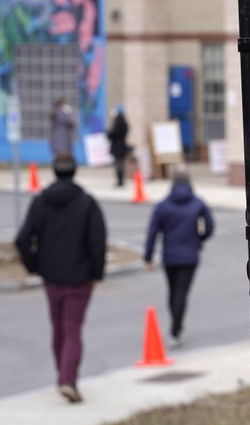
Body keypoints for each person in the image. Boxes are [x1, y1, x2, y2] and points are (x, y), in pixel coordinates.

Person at [15, 154, 106, 403]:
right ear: (75, 172)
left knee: (58, 328)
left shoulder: (41, 202)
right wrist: (97, 272)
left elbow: (23, 238)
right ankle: (68, 379)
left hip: (51, 275)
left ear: (54, 172)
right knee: (73, 328)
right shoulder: (87, 203)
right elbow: (98, 243)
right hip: (79, 276)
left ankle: (62, 375)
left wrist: (34, 265)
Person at [144, 164, 214, 347]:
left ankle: (175, 327)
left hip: (170, 256)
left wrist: (148, 256)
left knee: (173, 290)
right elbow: (210, 226)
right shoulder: (198, 203)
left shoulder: (162, 206)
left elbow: (153, 231)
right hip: (190, 255)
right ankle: (176, 329)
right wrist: (199, 239)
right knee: (182, 292)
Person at [107, 105, 130, 186]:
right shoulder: (124, 122)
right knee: (121, 164)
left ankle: (119, 181)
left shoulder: (118, 122)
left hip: (117, 146)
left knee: (118, 164)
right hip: (122, 145)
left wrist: (108, 134)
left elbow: (114, 133)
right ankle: (121, 180)